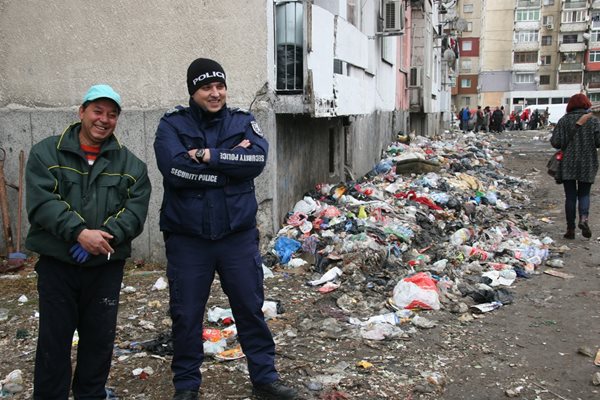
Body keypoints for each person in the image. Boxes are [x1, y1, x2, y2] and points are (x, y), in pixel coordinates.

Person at [154, 58, 298, 400]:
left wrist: (205, 155)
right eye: (207, 87)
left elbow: (256, 161)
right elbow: (175, 171)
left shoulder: (243, 121)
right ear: (193, 91)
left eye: (220, 86)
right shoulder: (171, 125)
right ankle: (187, 386)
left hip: (236, 237)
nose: (215, 93)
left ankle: (265, 377)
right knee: (186, 314)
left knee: (250, 308)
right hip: (188, 240)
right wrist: (228, 163)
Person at [25, 84, 152, 399]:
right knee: (54, 343)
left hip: (104, 269)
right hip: (58, 267)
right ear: (81, 111)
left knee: (98, 342)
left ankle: (90, 394)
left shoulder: (131, 166)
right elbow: (43, 203)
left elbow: (134, 213)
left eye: (112, 114)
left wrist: (101, 238)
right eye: (97, 111)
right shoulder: (46, 153)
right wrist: (79, 233)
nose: (104, 119)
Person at [550, 93, 600, 239]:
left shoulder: (563, 121)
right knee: (584, 194)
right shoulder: (594, 121)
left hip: (568, 163)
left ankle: (570, 229)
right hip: (588, 162)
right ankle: (583, 219)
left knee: (570, 196)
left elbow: (555, 142)